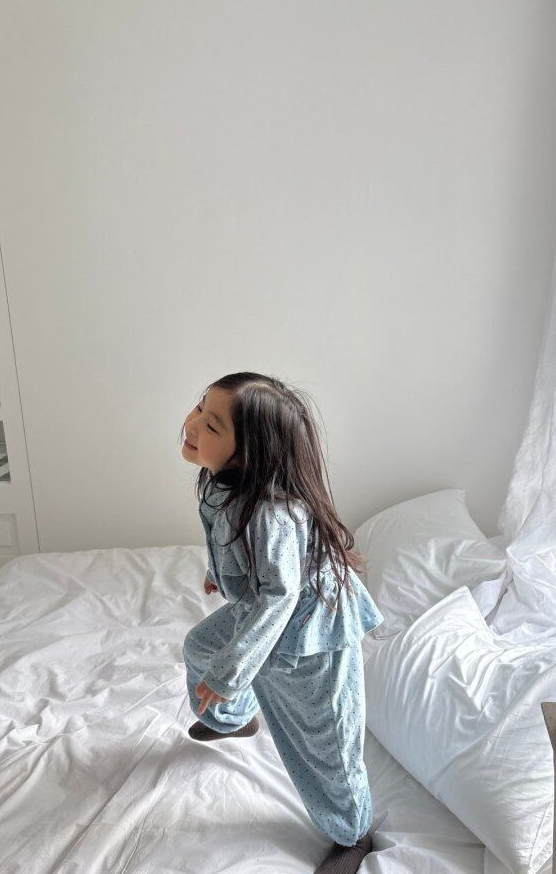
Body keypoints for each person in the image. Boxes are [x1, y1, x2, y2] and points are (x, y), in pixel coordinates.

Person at [179, 372, 384, 874]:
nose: (192, 424)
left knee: (327, 737)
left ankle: (352, 832)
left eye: (211, 424)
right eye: (199, 408)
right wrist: (219, 572)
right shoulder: (222, 482)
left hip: (311, 629)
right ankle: (237, 719)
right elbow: (235, 545)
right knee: (201, 646)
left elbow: (281, 593)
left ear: (247, 455)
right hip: (265, 609)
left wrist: (231, 673)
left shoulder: (273, 512)